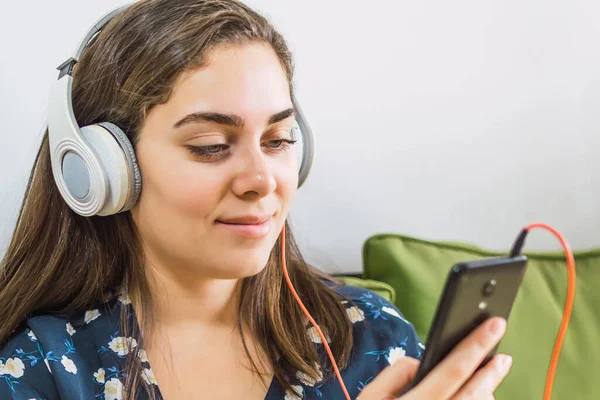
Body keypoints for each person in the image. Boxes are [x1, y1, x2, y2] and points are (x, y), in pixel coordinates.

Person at [0, 0, 512, 399]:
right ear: (102, 172)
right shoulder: (43, 369)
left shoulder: (371, 339)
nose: (262, 180)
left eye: (279, 140)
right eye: (211, 147)